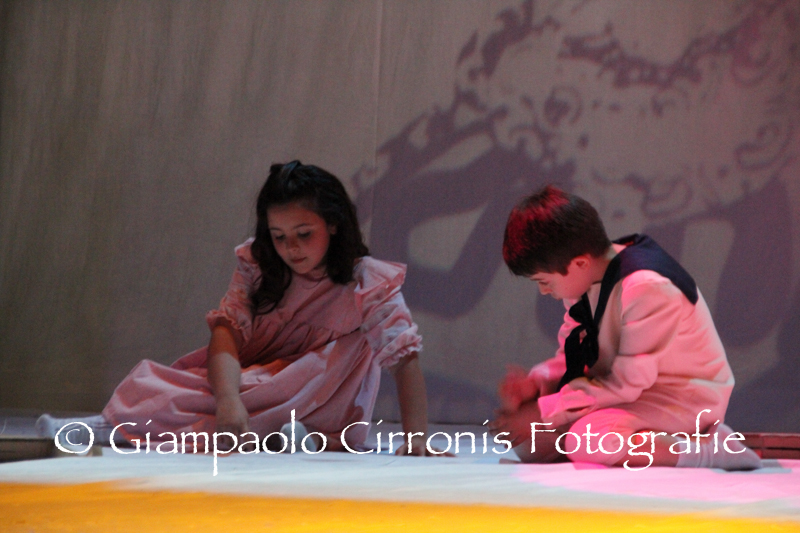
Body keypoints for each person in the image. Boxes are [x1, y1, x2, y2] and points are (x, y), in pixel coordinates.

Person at [38, 161, 435, 455]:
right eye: (279, 236)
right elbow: (226, 332)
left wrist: (416, 437)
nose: (291, 248)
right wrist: (229, 399)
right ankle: (110, 428)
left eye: (304, 234)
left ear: (333, 224)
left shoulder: (365, 280)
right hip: (258, 379)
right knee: (189, 391)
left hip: (324, 391)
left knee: (293, 380)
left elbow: (403, 358)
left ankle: (309, 435)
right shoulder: (258, 265)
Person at [491, 185, 762, 470]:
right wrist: (538, 383)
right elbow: (578, 361)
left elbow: (628, 383)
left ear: (579, 263)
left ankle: (710, 449)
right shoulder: (585, 277)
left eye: (544, 281)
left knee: (587, 439)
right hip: (631, 391)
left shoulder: (646, 286)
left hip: (683, 398)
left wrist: (547, 410)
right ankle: (638, 441)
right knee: (532, 443)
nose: (544, 291)